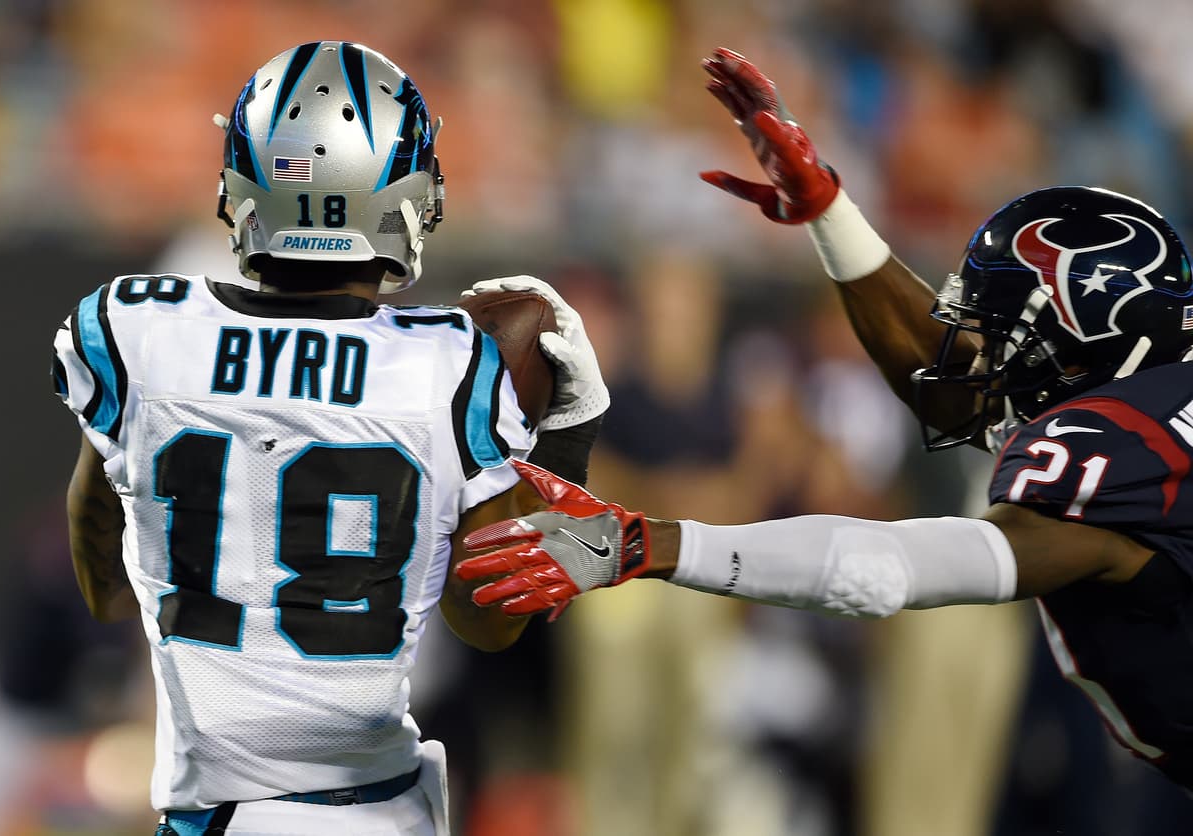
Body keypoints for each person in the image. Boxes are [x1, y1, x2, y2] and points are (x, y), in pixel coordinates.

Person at [457, 47, 1193, 790]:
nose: (972, 350)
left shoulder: (1111, 458)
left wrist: (648, 543)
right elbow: (956, 376)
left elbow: (893, 569)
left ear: (1075, 350)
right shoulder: (1151, 395)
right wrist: (829, 214)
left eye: (999, 333)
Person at [51, 40, 608, 835]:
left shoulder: (133, 331)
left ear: (244, 189)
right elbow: (491, 622)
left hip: (211, 814)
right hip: (370, 812)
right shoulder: (453, 366)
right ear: (403, 194)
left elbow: (105, 586)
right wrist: (565, 439)